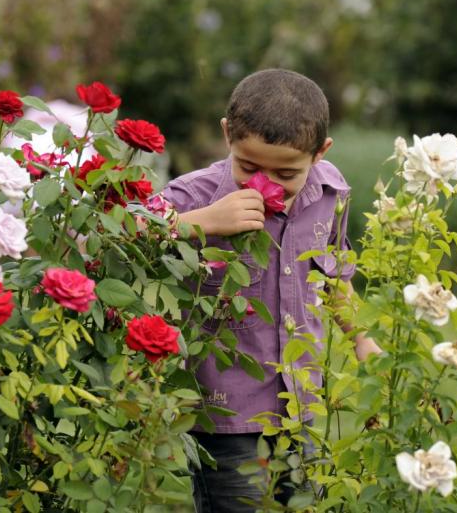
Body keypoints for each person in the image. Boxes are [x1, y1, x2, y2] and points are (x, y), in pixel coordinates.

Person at [161, 68, 381, 512]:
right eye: (248, 167)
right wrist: (198, 223)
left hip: (303, 403)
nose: (265, 184)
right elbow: (118, 232)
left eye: (285, 173)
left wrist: (364, 341)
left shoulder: (330, 192)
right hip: (225, 413)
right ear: (227, 135)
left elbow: (334, 277)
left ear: (320, 153)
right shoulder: (194, 195)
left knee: (307, 504)